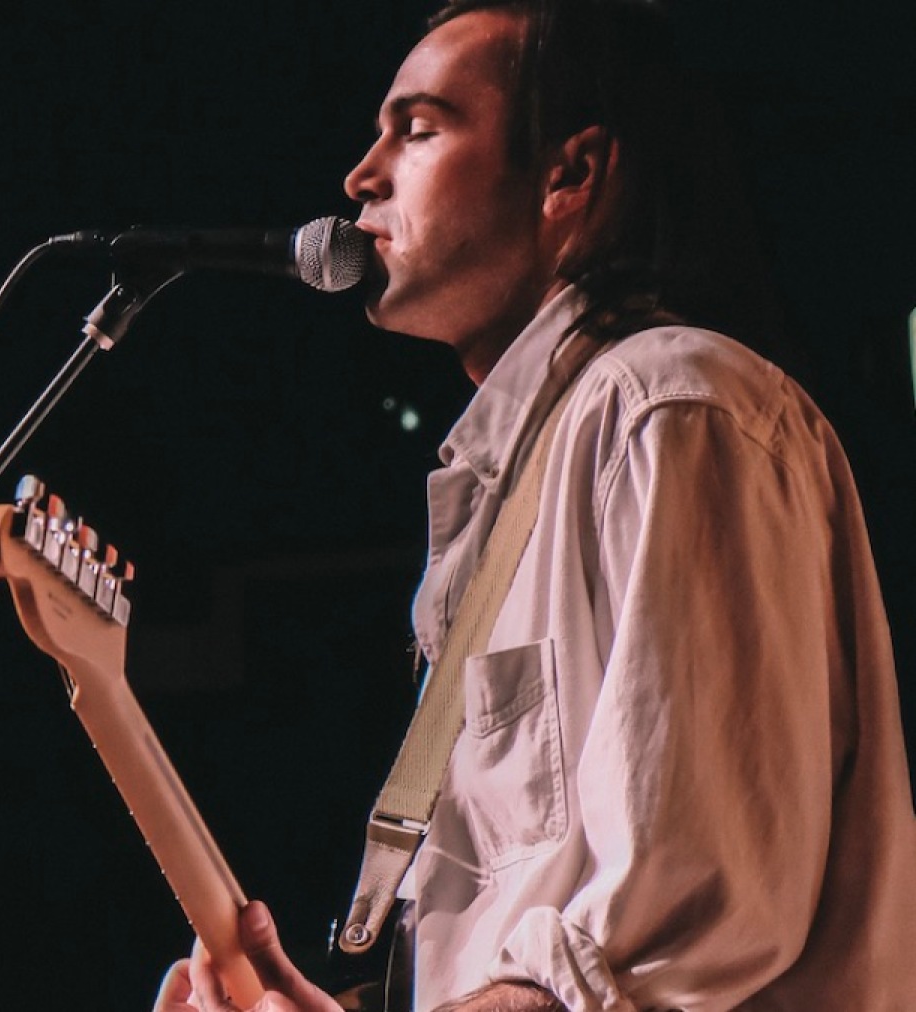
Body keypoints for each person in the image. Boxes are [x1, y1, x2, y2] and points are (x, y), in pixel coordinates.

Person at [152, 1, 916, 1010]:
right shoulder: (536, 470)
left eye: (418, 129)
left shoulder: (670, 407)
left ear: (570, 175)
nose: (360, 176)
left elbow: (690, 912)